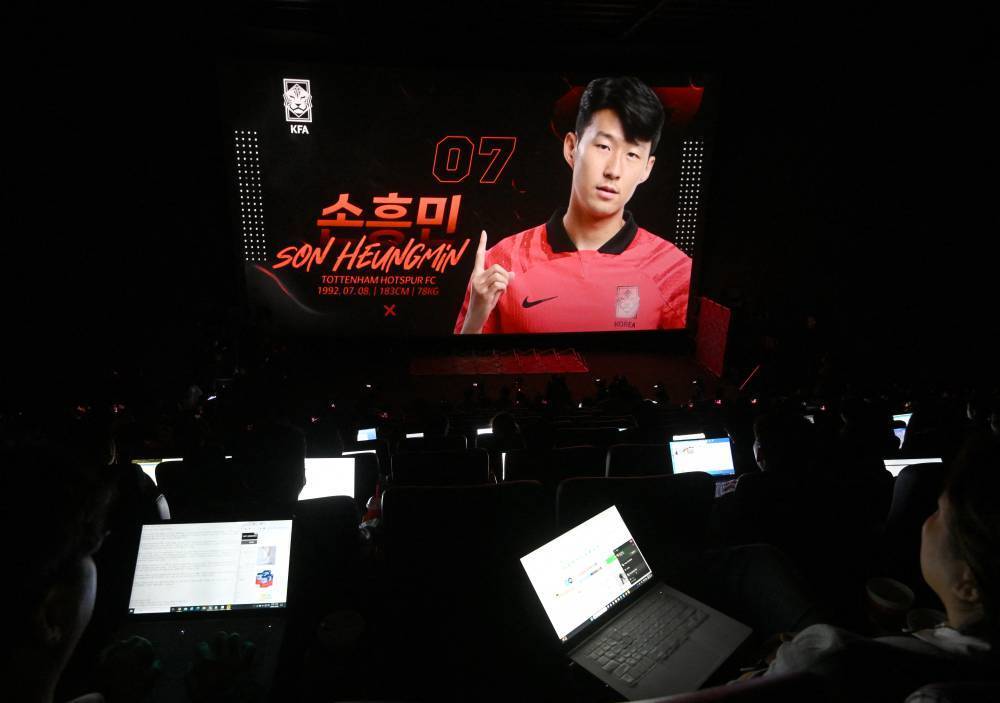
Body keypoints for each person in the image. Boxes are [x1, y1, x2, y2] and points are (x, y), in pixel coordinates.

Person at [749, 435, 1000, 701]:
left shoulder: (824, 657)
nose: (927, 521)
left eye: (939, 512)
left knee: (758, 560)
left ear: (966, 584)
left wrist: (793, 653)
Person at [454, 76, 692, 334]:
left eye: (632, 154)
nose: (614, 170)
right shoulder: (503, 261)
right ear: (571, 147)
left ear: (647, 168)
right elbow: (462, 370)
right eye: (603, 146)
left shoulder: (673, 271)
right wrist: (474, 322)